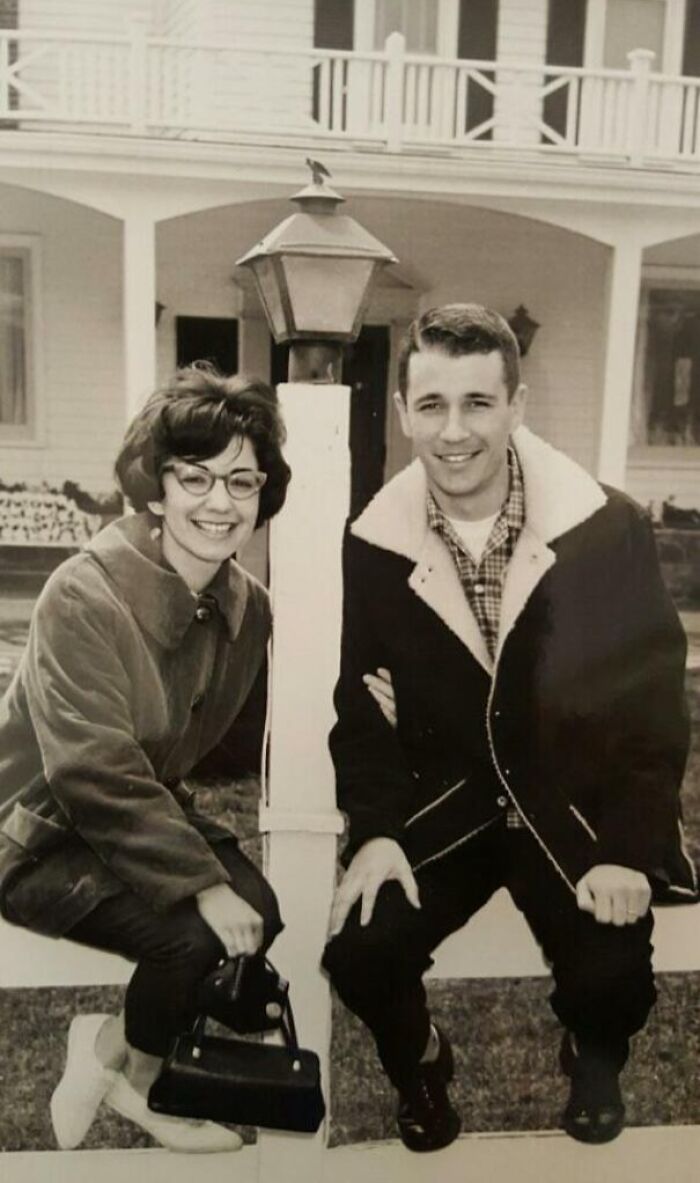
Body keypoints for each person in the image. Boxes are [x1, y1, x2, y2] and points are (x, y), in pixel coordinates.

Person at [322, 304, 697, 1152]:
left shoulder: (606, 530)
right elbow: (359, 705)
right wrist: (377, 833)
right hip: (450, 808)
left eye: (478, 403)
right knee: (360, 952)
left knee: (611, 974)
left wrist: (628, 848)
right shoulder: (374, 541)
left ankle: (594, 1055)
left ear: (517, 406)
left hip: (572, 809)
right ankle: (421, 1063)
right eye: (431, 405)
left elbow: (652, 707)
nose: (453, 432)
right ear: (403, 410)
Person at [0, 365, 291, 1153]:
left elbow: (228, 739)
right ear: (155, 488)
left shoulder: (247, 605)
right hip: (36, 831)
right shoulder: (82, 593)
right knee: (192, 936)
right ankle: (150, 1085)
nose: (220, 501)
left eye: (242, 479)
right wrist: (198, 881)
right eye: (193, 476)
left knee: (258, 907)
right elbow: (91, 766)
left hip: (134, 818)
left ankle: (105, 1045)